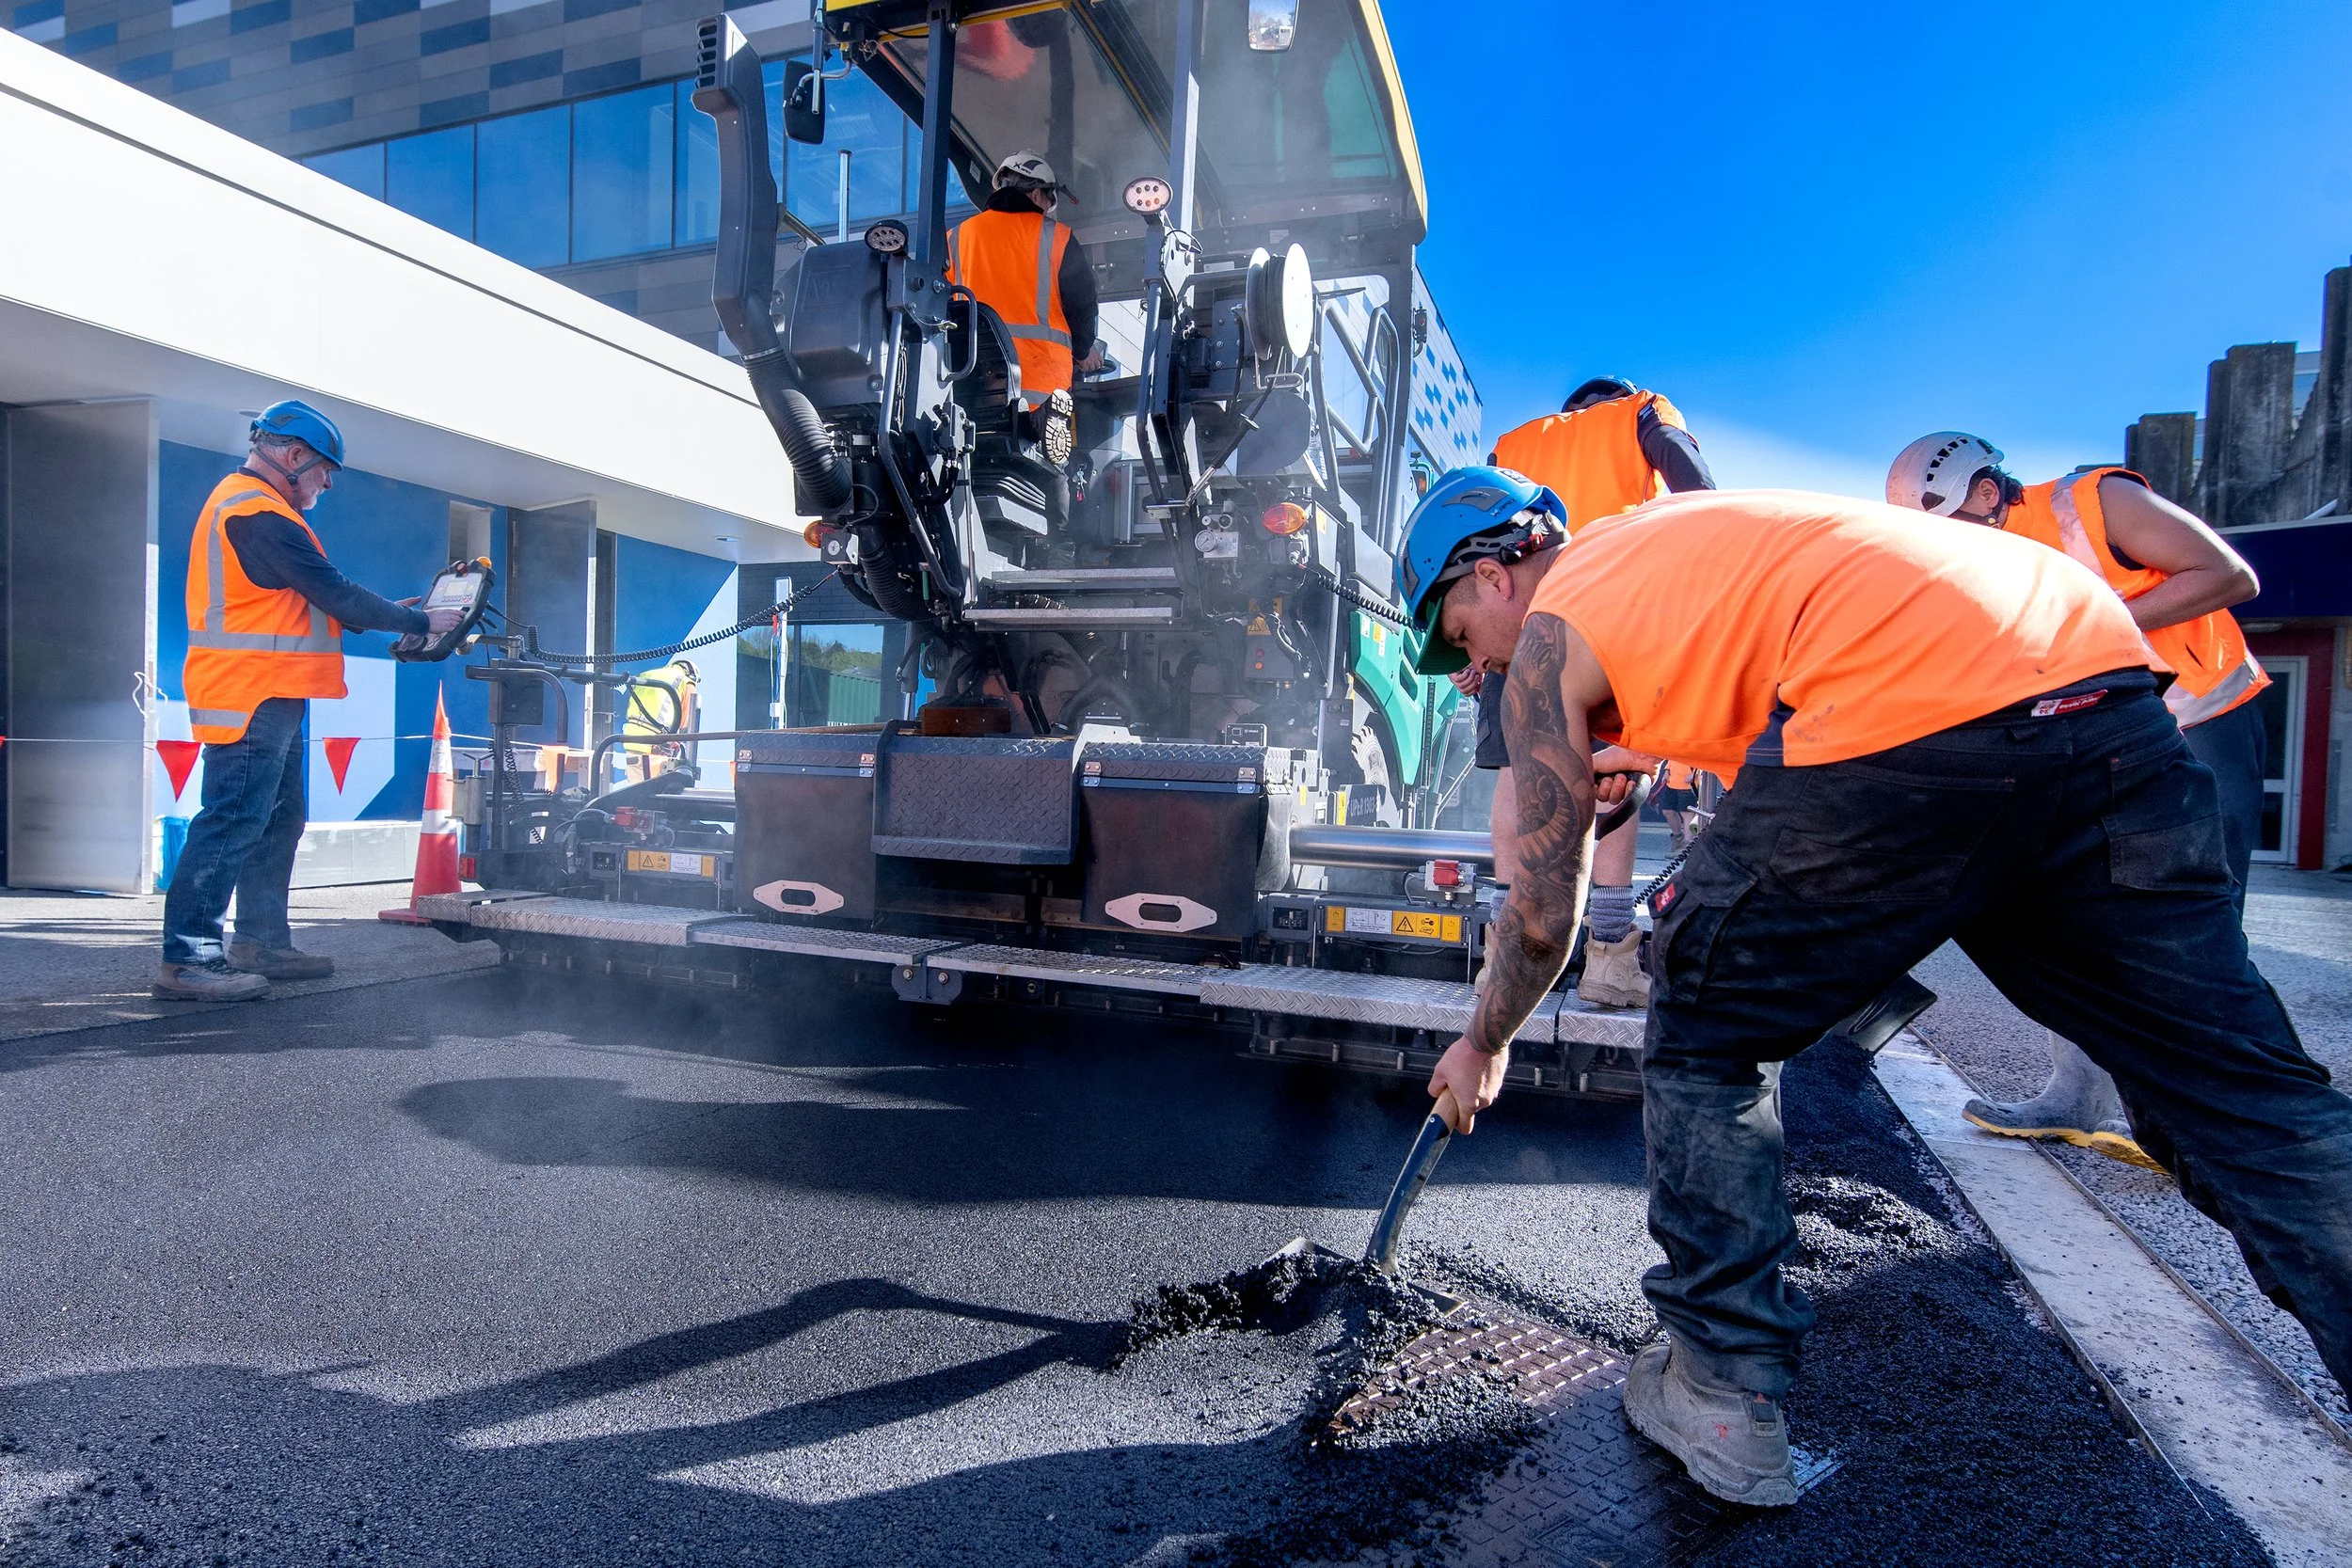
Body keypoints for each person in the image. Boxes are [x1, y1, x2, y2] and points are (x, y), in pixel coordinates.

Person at [1397, 468, 2352, 1509]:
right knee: (2241, 1097)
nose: (1472, 672)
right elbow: (1806, 689)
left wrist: (1484, 1039)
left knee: (1710, 1012)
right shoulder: (1678, 539)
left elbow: (1542, 912)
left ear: (1494, 575)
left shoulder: (1550, 631)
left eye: (1461, 639)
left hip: (1916, 705)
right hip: (2100, 694)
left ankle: (1720, 1384)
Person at [1887, 433, 2268, 1168]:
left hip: (2201, 719)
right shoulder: (1995, 564)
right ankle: (2078, 1097)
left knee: (2197, 927)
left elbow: (2228, 575)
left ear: (1988, 493)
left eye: (1954, 529)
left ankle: (2208, 1133)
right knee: (2082, 909)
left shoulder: (2096, 503)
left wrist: (2093, 629)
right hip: (2112, 736)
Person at [159, 402, 465, 1001]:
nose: (327, 483)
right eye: (325, 470)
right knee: (231, 822)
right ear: (294, 457)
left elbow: (308, 601)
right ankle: (189, 959)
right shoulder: (256, 513)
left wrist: (405, 616)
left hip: (274, 691)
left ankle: (260, 942)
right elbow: (333, 591)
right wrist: (418, 618)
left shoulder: (257, 508)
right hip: (250, 691)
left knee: (277, 819)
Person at [1467, 380, 1719, 1006]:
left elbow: (1467, 546)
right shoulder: (1641, 410)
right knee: (1611, 784)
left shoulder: (1513, 443)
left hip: (1518, 626)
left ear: (1567, 408)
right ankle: (1608, 959)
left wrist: (1471, 643)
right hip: (1611, 625)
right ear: (1614, 397)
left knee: (1514, 778)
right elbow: (1692, 480)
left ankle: (1505, 956)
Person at [946, 151, 1103, 436]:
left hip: (970, 396)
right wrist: (1082, 350)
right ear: (1036, 194)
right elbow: (1082, 304)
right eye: (1047, 202)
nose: (1046, 211)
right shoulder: (1057, 237)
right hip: (1040, 403)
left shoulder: (956, 237)